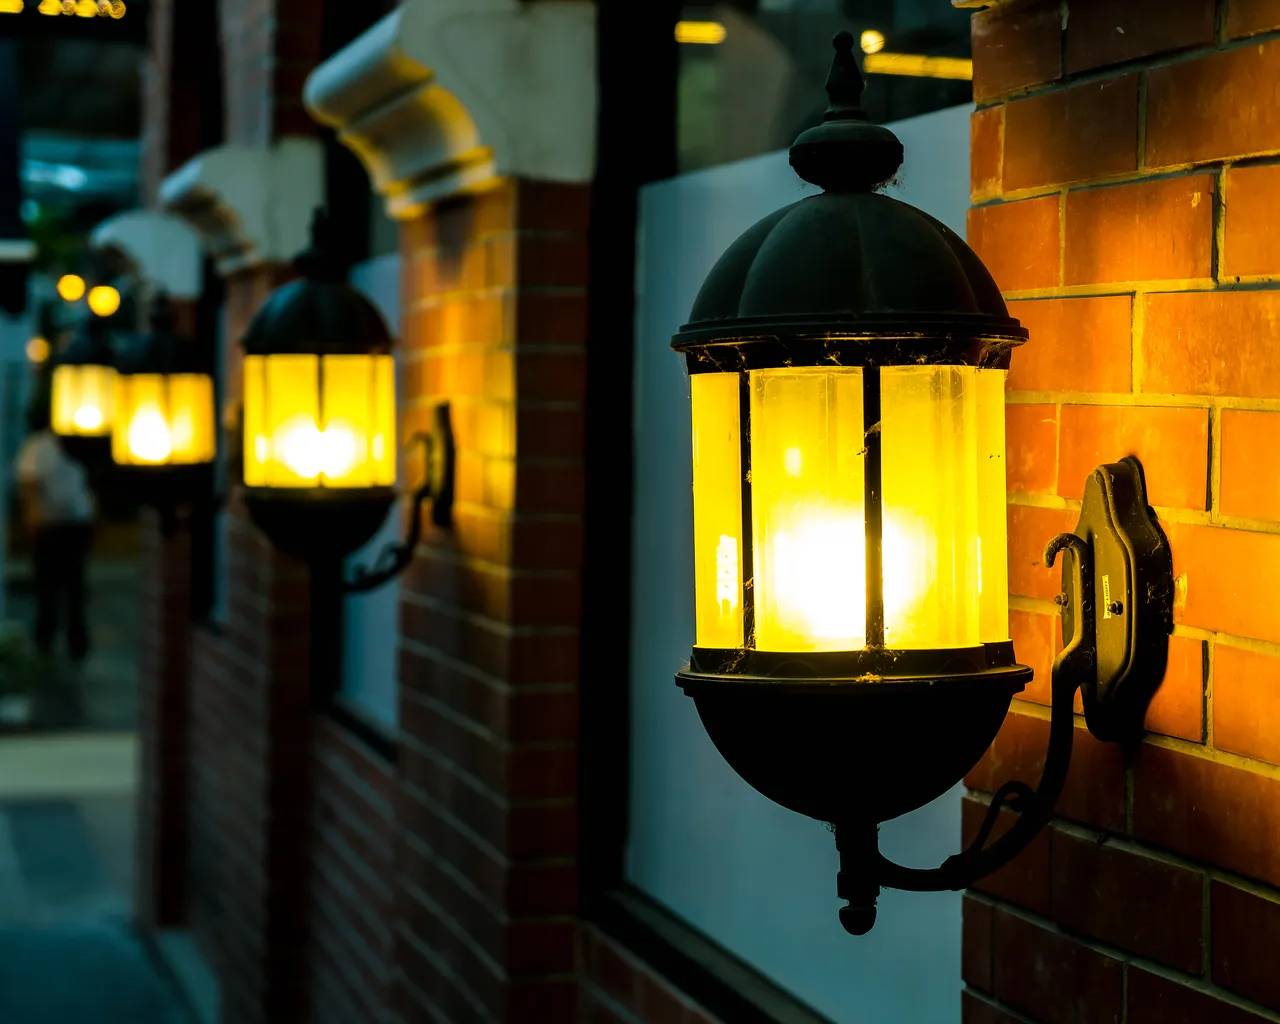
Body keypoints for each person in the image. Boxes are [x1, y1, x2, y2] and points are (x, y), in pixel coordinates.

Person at [15, 395, 94, 661]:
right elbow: (29, 483)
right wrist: (33, 516)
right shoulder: (39, 447)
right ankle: (45, 637)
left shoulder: (82, 444)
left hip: (76, 522)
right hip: (50, 524)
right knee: (46, 583)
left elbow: (86, 483)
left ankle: (76, 638)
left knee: (76, 583)